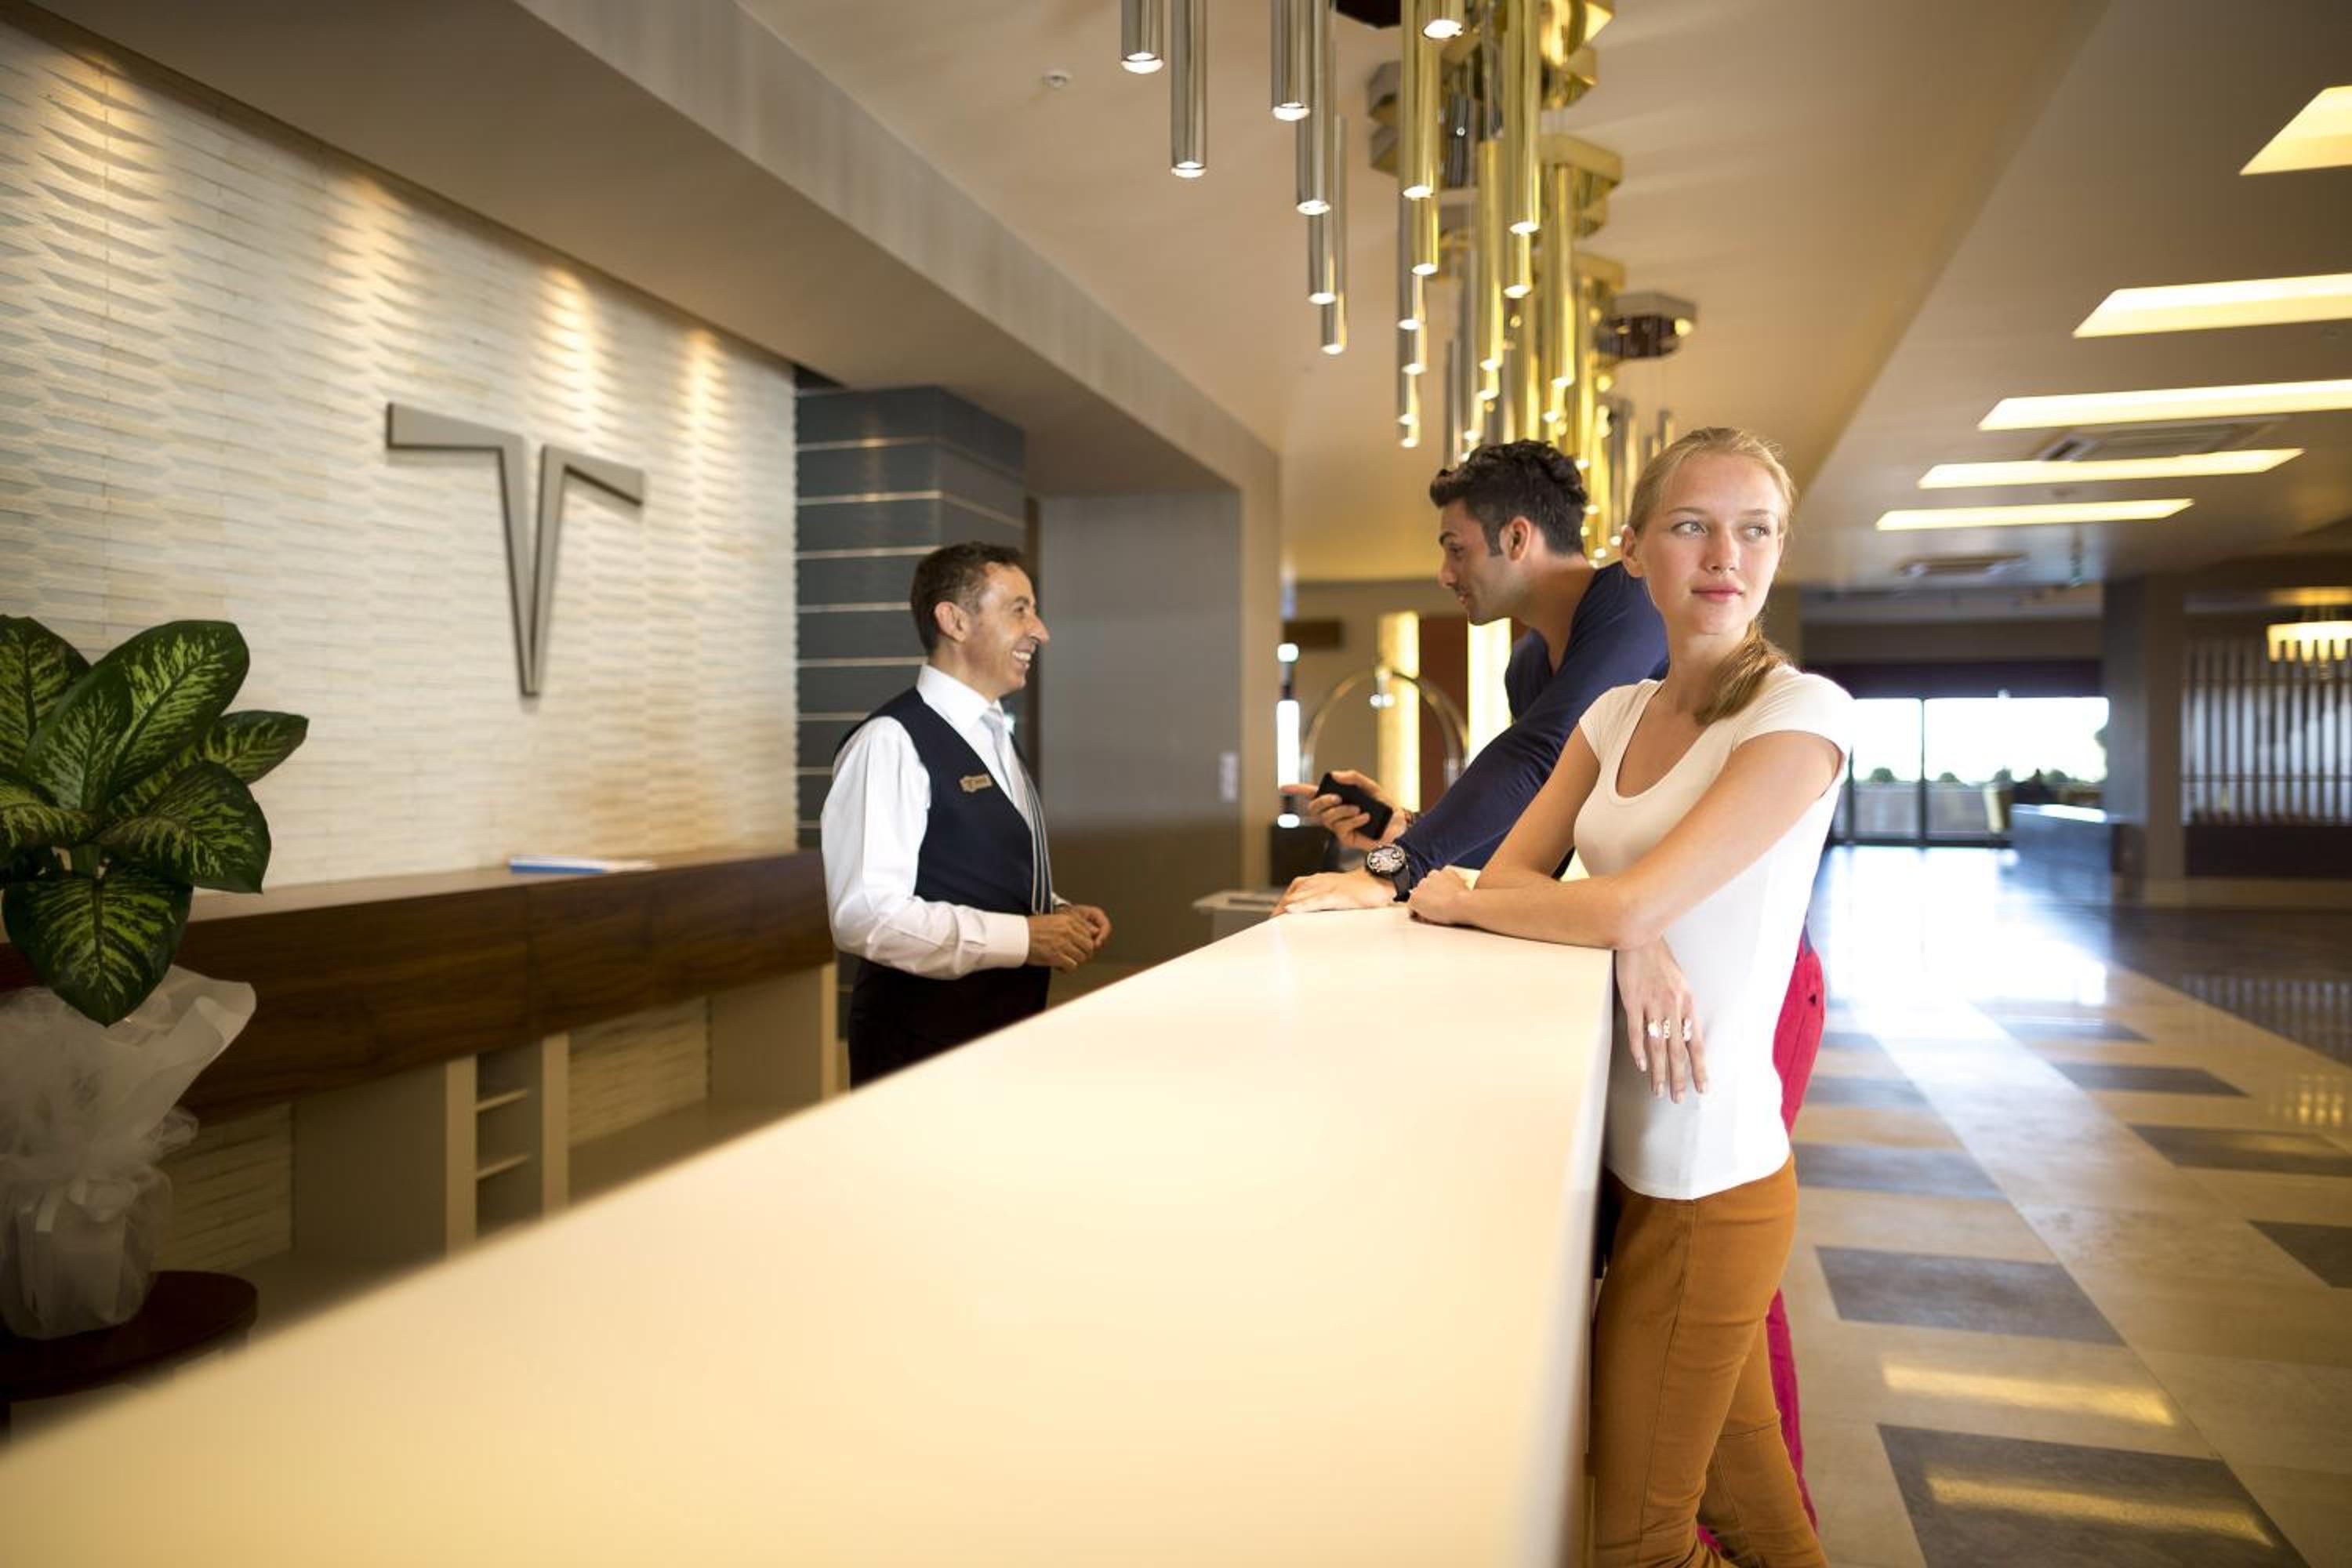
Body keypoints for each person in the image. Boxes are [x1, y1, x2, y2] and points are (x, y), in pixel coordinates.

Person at [1407, 427, 1846, 1567]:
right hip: (1631, 1167)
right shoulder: (1609, 717)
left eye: (1755, 530)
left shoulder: (1801, 716)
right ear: (1634, 547)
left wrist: (1618, 916)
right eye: (1692, 525)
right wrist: (1624, 933)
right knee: (1759, 1521)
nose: (1724, 555)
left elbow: (1570, 896)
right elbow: (1518, 874)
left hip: (1712, 1180)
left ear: (1778, 550)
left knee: (1639, 1542)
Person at [1274, 440, 1669, 913]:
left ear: (1517, 538)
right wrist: (1403, 828)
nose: (1445, 575)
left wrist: (1392, 868)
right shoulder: (1527, 666)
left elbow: (1542, 752)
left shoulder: (1633, 602)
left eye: (1457, 550)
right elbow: (1535, 842)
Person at [821, 542, 1111, 1087]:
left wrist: (1054, 911)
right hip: (921, 1046)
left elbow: (966, 866)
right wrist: (1025, 937)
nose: (1040, 631)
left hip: (1001, 1033)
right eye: (1019, 610)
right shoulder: (890, 741)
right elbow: (866, 915)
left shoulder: (994, 732)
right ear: (953, 621)